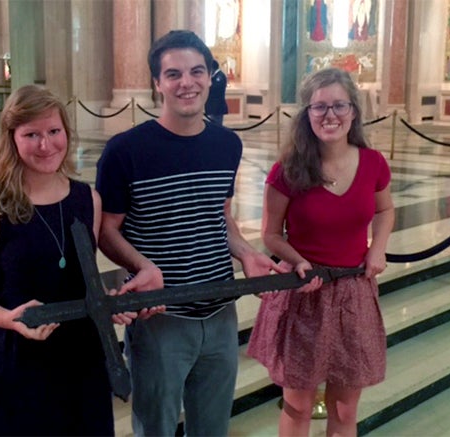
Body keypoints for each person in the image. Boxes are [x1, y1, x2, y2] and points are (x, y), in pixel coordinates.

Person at [95, 30, 282, 436]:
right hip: (160, 314)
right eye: (174, 73)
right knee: (156, 425)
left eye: (197, 71)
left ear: (211, 76)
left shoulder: (226, 144)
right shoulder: (125, 150)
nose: (187, 82)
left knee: (212, 427)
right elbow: (106, 230)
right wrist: (142, 265)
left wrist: (247, 254)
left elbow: (221, 218)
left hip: (219, 309)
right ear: (157, 83)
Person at [0, 84, 139, 436]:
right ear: (12, 138)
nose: (46, 145)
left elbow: (81, 280)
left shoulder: (87, 199)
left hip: (82, 360)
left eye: (54, 131)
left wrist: (106, 302)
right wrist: (7, 317)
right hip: (18, 363)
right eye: (32, 134)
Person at [247, 67, 395, 437]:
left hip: (353, 293)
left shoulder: (373, 163)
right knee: (298, 406)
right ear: (306, 114)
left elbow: (385, 210)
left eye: (339, 105)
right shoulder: (289, 170)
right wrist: (297, 260)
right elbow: (271, 233)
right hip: (304, 294)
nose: (330, 115)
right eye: (319, 107)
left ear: (354, 111)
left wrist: (378, 248)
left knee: (345, 409)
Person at [205, 59, 228, 125]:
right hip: (212, 107)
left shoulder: (220, 76)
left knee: (216, 126)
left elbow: (216, 88)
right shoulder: (214, 76)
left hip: (217, 107)